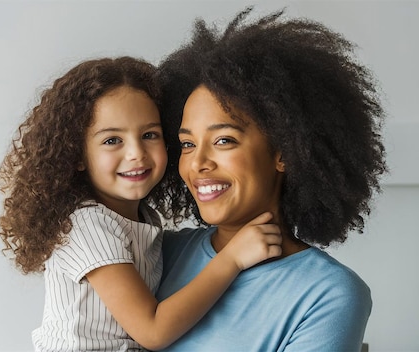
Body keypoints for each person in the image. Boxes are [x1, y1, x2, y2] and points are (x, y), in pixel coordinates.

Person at [0, 56, 283, 352]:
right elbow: (153, 331)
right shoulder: (88, 225)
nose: (136, 153)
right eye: (112, 141)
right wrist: (232, 258)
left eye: (149, 135)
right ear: (77, 156)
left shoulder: (144, 219)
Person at [155, 7, 387, 351]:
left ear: (285, 151)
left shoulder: (329, 294)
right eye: (187, 144)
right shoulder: (161, 253)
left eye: (224, 140)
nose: (197, 162)